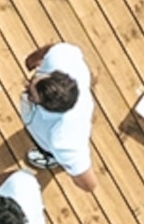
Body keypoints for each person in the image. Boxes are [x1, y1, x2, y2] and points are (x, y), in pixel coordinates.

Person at [20, 41, 97, 191]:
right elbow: (54, 48)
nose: (27, 85)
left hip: (50, 141)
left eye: (31, 94)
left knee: (54, 152)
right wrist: (33, 58)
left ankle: (51, 157)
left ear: (49, 108)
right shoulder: (60, 59)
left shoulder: (64, 140)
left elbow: (89, 184)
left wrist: (70, 165)